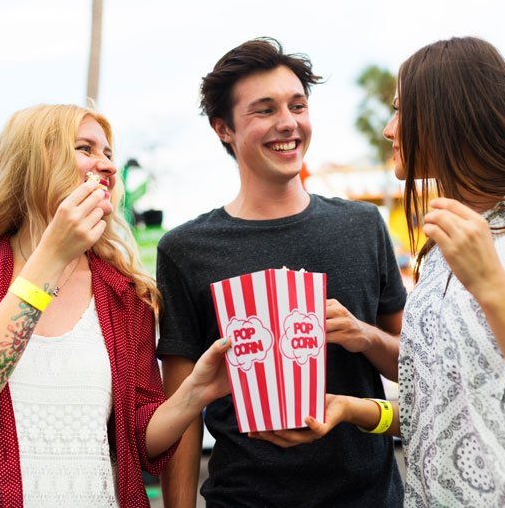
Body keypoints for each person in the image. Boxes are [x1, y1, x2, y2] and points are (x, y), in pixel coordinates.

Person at [300, 37, 505, 506]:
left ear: (449, 116)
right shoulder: (440, 247)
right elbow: (442, 413)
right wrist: (352, 408)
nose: (389, 130)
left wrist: (492, 286)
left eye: (400, 111)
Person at [0, 104, 230, 508]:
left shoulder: (125, 294)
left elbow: (138, 440)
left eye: (109, 153)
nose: (107, 166)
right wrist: (52, 258)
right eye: (86, 149)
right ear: (32, 164)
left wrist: (195, 392)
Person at [156, 38, 407, 507]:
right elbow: (183, 413)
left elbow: (417, 370)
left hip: (368, 498)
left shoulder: (362, 226)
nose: (288, 123)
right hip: (244, 498)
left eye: (297, 105)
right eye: (264, 110)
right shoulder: (186, 250)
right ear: (223, 129)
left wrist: (363, 337)